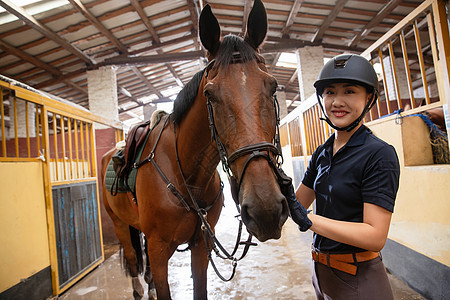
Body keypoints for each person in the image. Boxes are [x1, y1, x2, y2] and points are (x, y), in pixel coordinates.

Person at [281, 54, 400, 300]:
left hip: (358, 277)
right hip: (321, 271)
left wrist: (311, 221)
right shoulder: (322, 153)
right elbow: (297, 204)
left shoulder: (379, 154)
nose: (337, 101)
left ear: (369, 98)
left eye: (349, 91)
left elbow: (375, 236)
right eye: (329, 92)